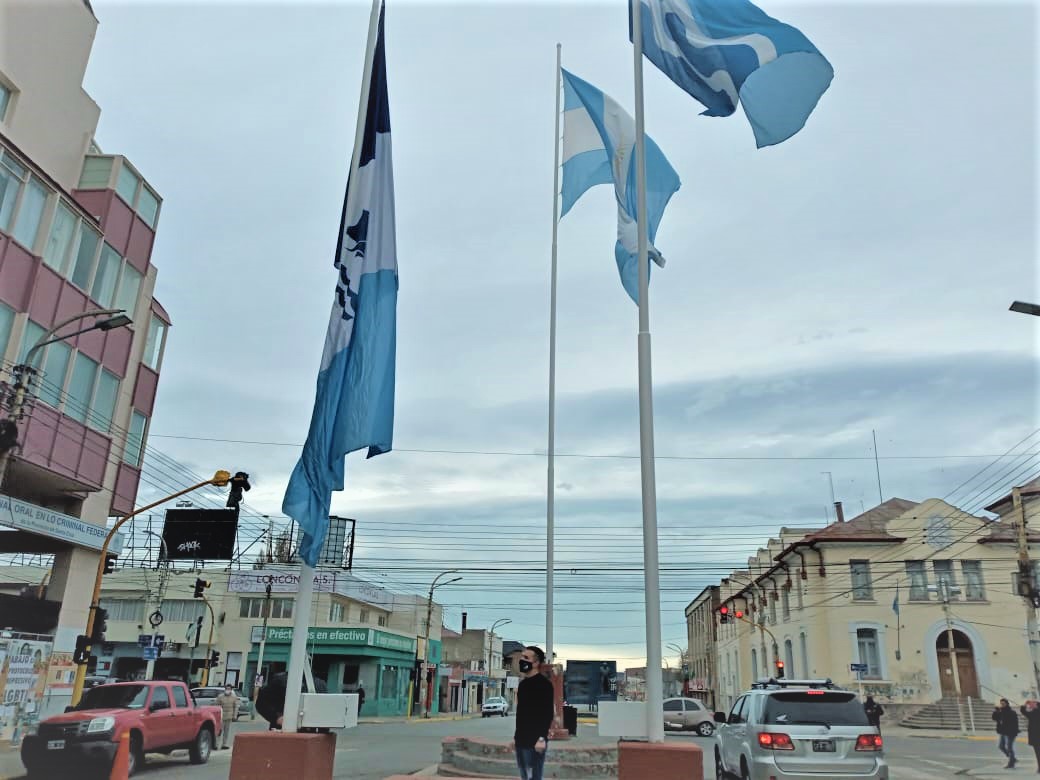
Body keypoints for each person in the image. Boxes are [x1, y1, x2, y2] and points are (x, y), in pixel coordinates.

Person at [508, 646, 554, 780]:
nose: (522, 660)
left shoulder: (544, 685)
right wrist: (515, 738)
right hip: (521, 740)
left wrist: (541, 738)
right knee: (524, 776)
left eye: (526, 658)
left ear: (536, 663)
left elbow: (547, 714)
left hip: (535, 742)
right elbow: (521, 715)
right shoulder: (523, 685)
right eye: (522, 657)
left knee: (534, 776)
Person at [255, 671, 328, 730]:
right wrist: (277, 718)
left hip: (306, 731)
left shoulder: (319, 684)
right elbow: (261, 703)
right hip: (284, 731)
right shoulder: (280, 681)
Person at [994, 698, 1020, 769]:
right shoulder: (1000, 712)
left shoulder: (1011, 712)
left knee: (1009, 747)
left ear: (1007, 704)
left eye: (1003, 704)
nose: (1002, 705)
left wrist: (1014, 731)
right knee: (1001, 746)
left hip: (1011, 733)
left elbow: (1015, 723)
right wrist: (996, 711)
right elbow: (995, 718)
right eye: (1001, 704)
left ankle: (1011, 763)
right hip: (1003, 732)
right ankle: (1013, 759)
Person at [215, 684, 240, 749]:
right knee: (219, 731)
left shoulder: (234, 697)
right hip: (221, 716)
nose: (227, 690)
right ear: (225, 689)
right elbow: (216, 706)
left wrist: (235, 716)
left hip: (229, 717)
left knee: (226, 732)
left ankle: (224, 744)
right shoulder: (220, 696)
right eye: (227, 689)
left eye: (229, 689)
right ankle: (216, 744)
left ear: (231, 690)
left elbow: (236, 707)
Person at [1020, 700, 1040, 772]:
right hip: (1035, 736)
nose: (1031, 705)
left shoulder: (1035, 713)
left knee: (1038, 753)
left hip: (1036, 737)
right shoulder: (1034, 712)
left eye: (1033, 704)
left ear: (1037, 705)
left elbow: (1023, 711)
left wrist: (1025, 705)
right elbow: (1024, 712)